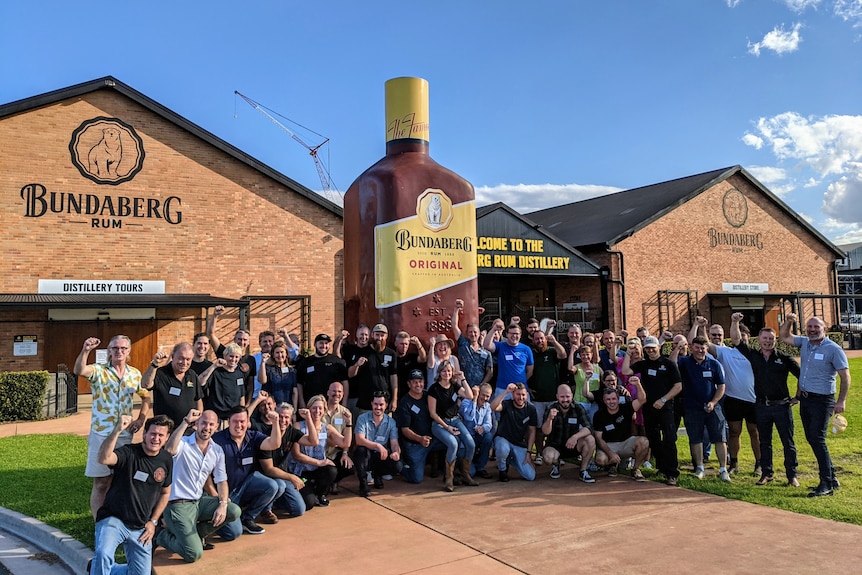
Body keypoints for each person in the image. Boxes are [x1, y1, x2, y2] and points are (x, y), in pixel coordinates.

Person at [75, 335, 150, 519]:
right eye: (115, 348)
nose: (119, 351)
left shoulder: (135, 374)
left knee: (121, 481)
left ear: (129, 351)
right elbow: (79, 370)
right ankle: (99, 523)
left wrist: (140, 419)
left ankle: (118, 519)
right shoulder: (99, 371)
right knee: (101, 482)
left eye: (123, 348)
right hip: (101, 433)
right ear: (109, 350)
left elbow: (146, 396)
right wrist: (86, 349)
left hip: (124, 436)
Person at [91, 414, 173, 575]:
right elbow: (103, 458)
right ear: (144, 434)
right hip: (114, 519)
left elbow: (165, 492)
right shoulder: (129, 453)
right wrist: (116, 431)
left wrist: (153, 522)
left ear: (167, 437)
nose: (156, 438)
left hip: (141, 527)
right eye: (153, 434)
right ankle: (100, 568)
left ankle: (104, 569)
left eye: (160, 435)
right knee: (103, 554)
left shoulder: (166, 459)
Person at [155, 409, 241, 563]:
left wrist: (222, 504)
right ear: (196, 425)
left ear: (216, 427)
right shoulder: (183, 443)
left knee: (233, 510)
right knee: (194, 554)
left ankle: (195, 534)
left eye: (211, 424)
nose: (207, 427)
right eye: (204, 423)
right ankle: (160, 535)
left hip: (199, 502)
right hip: (177, 505)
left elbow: (222, 481)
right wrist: (185, 422)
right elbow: (168, 450)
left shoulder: (217, 450)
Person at [780, 314, 851, 497]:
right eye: (809, 327)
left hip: (823, 400)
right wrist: (789, 321)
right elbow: (784, 336)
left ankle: (826, 483)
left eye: (816, 327)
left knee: (817, 439)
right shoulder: (805, 343)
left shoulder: (833, 349)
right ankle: (832, 477)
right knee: (812, 439)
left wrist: (841, 401)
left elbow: (845, 376)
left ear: (824, 329)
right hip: (806, 399)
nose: (812, 330)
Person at [690, 314, 760, 475]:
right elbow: (705, 344)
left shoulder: (756, 355)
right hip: (734, 400)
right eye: (739, 336)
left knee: (755, 433)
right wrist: (702, 327)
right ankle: (734, 463)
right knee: (734, 432)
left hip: (754, 400)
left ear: (749, 337)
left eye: (744, 337)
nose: (741, 339)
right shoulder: (726, 352)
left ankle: (759, 464)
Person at [735, 326, 801, 486]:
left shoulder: (784, 358)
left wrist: (797, 397)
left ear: (775, 340)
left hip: (782, 407)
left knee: (788, 442)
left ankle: (792, 475)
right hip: (762, 407)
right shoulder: (753, 356)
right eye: (765, 338)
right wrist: (734, 322)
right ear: (758, 339)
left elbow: (802, 375)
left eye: (771, 338)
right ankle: (766, 473)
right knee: (764, 442)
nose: (768, 341)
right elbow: (736, 341)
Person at [211, 398, 282, 535]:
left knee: (272, 486)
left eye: (242, 421)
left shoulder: (253, 436)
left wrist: (275, 423)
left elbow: (274, 444)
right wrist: (219, 497)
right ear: (228, 423)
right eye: (235, 421)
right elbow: (207, 474)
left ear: (248, 422)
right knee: (233, 533)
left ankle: (247, 518)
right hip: (223, 494)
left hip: (244, 486)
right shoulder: (217, 440)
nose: (239, 425)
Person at [622, 335, 682, 485]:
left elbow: (678, 386)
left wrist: (663, 400)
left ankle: (672, 473)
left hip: (665, 407)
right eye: (647, 348)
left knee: (669, 438)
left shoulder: (668, 364)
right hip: (649, 408)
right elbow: (626, 371)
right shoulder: (643, 364)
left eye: (653, 348)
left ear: (659, 347)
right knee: (653, 439)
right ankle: (662, 467)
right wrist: (628, 354)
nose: (650, 351)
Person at [677, 336, 730, 482]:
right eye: (697, 347)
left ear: (707, 348)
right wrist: (678, 348)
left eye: (703, 348)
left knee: (720, 438)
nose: (700, 350)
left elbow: (721, 386)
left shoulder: (714, 364)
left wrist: (713, 402)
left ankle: (723, 470)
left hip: (713, 407)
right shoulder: (684, 362)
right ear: (691, 347)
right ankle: (700, 468)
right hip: (692, 407)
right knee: (696, 438)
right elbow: (671, 362)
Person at [257, 402, 318, 516]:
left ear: (290, 419)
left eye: (286, 417)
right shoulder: (265, 434)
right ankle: (265, 509)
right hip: (266, 477)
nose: (283, 420)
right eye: (280, 416)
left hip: (283, 476)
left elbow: (313, 441)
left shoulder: (291, 431)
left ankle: (274, 501)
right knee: (279, 485)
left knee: (299, 510)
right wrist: (292, 477)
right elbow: (268, 469)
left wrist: (308, 418)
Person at [288, 394, 349, 506]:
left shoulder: (327, 428)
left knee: (331, 470)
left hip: (317, 470)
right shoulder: (298, 427)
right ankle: (309, 491)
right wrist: (319, 462)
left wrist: (349, 424)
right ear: (308, 409)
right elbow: (296, 454)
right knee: (309, 504)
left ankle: (320, 494)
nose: (317, 411)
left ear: (324, 410)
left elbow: (345, 443)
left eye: (320, 408)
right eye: (314, 408)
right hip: (302, 471)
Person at [427, 360, 477, 491]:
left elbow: (470, 396)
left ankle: (465, 474)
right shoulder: (434, 389)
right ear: (439, 372)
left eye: (449, 370)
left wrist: (463, 379)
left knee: (471, 443)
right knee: (453, 444)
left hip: (455, 420)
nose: (446, 373)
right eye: (444, 371)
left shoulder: (455, 386)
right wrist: (446, 427)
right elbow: (432, 413)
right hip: (439, 423)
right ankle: (449, 478)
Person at [593, 379, 651, 481]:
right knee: (600, 460)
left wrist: (638, 384)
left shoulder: (626, 408)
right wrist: (611, 453)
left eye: (614, 399)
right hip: (609, 445)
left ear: (618, 399)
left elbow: (642, 400)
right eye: (608, 399)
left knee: (644, 442)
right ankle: (612, 465)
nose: (612, 402)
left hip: (626, 443)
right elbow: (598, 438)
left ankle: (636, 469)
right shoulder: (599, 415)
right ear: (604, 400)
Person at [141, 342, 203, 431]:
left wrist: (198, 421)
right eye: (181, 358)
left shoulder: (192, 375)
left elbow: (198, 399)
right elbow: (145, 384)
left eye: (188, 359)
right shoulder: (160, 373)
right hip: (166, 430)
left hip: (188, 429)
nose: (184, 362)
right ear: (173, 356)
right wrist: (154, 364)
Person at [541, 383, 596, 482]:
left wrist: (575, 437)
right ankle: (556, 465)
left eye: (567, 396)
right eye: (562, 397)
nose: (565, 400)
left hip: (573, 445)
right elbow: (545, 432)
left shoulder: (578, 408)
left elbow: (588, 428)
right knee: (548, 458)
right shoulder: (551, 408)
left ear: (572, 396)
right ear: (557, 397)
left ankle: (583, 471)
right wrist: (549, 419)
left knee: (590, 440)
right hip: (555, 445)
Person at [528, 329, 567, 465]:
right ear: (533, 341)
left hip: (553, 398)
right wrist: (527, 387)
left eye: (542, 338)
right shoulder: (531, 354)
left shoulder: (552, 351)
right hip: (537, 399)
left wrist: (554, 341)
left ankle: (557, 453)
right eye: (537, 339)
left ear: (545, 339)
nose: (539, 341)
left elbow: (563, 354)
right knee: (539, 428)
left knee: (555, 428)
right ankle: (539, 453)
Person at [394, 369, 441, 484]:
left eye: (420, 381)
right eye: (414, 382)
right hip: (415, 444)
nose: (418, 385)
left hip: (433, 440)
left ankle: (448, 470)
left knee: (453, 442)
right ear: (409, 384)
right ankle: (398, 465)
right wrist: (420, 439)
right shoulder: (405, 403)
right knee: (416, 478)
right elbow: (404, 430)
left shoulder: (428, 395)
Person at [354, 391, 402, 497]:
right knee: (360, 451)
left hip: (380, 455)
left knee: (397, 465)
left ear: (386, 405)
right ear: (371, 403)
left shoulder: (391, 422)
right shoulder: (362, 418)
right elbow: (359, 440)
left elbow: (394, 443)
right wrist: (377, 445)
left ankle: (378, 475)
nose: (378, 407)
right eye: (375, 404)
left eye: (381, 404)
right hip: (367, 453)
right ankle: (363, 483)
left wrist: (396, 453)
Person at [206, 306, 256, 404]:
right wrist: (215, 315)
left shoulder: (250, 359)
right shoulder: (224, 352)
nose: (242, 342)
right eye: (239, 339)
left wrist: (248, 403)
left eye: (245, 340)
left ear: (249, 342)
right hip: (222, 402)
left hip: (239, 403)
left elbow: (250, 385)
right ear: (234, 340)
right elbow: (211, 334)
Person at [490, 383, 538, 482]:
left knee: (530, 476)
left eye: (523, 395)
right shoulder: (507, 404)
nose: (520, 397)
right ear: (513, 395)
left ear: (527, 395)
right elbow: (493, 407)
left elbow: (532, 431)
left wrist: (529, 453)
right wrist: (506, 392)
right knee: (502, 449)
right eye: (518, 394)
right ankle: (502, 470)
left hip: (519, 444)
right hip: (503, 439)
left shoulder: (531, 409)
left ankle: (509, 459)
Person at [348, 323, 399, 413]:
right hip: (365, 402)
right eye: (377, 335)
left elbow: (393, 377)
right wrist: (357, 364)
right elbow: (350, 374)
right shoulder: (363, 351)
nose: (379, 338)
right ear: (372, 335)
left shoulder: (391, 354)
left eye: (382, 335)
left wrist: (394, 399)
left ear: (386, 336)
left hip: (384, 403)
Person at [483, 319, 534, 399]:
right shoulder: (500, 346)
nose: (514, 336)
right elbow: (486, 345)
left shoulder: (526, 349)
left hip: (521, 391)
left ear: (520, 335)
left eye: (517, 334)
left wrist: (520, 380)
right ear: (506, 334)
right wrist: (494, 329)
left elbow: (530, 371)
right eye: (512, 333)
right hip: (503, 389)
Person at [296, 333, 348, 408]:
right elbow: (299, 384)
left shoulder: (337, 361)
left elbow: (345, 383)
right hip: (312, 405)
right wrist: (301, 403)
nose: (324, 346)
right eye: (321, 343)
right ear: (315, 344)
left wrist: (344, 402)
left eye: (326, 343)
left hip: (332, 405)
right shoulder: (306, 362)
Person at [199, 343, 246, 424]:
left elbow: (241, 397)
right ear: (225, 356)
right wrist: (213, 366)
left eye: (236, 357)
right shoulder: (215, 372)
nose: (233, 359)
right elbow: (200, 382)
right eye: (231, 356)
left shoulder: (239, 375)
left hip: (233, 419)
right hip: (217, 418)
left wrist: (243, 415)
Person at [452, 299, 493, 388]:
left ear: (479, 334)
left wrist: (481, 385)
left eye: (475, 332)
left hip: (479, 390)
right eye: (470, 332)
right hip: (463, 388)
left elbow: (490, 372)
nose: (473, 334)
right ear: (467, 334)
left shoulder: (486, 353)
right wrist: (456, 309)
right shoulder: (463, 343)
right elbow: (454, 326)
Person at [321, 381, 354, 494]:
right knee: (331, 471)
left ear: (343, 394)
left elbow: (347, 436)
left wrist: (345, 453)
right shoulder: (319, 410)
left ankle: (334, 482)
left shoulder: (346, 413)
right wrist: (330, 441)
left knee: (349, 467)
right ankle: (322, 486)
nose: (337, 394)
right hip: (321, 451)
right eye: (334, 391)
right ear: (328, 392)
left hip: (336, 451)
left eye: (339, 391)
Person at [460, 383, 494, 479]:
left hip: (477, 437)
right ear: (478, 393)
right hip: (465, 439)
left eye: (488, 396)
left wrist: (483, 428)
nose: (485, 398)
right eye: (483, 395)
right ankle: (462, 466)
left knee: (488, 436)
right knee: (471, 473)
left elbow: (489, 424)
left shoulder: (487, 406)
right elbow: (468, 417)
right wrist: (474, 399)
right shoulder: (466, 402)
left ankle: (481, 467)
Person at [260, 341, 298, 407]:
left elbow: (295, 392)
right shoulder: (268, 368)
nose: (280, 355)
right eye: (277, 353)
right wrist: (263, 363)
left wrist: (294, 410)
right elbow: (263, 381)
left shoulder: (292, 371)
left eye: (282, 352)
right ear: (273, 355)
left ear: (286, 354)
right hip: (271, 407)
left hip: (288, 408)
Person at [393, 331, 428, 402]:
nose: (404, 346)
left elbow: (423, 358)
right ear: (396, 344)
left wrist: (418, 344)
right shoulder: (391, 357)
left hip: (410, 396)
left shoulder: (412, 357)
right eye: (401, 344)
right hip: (395, 395)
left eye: (406, 344)